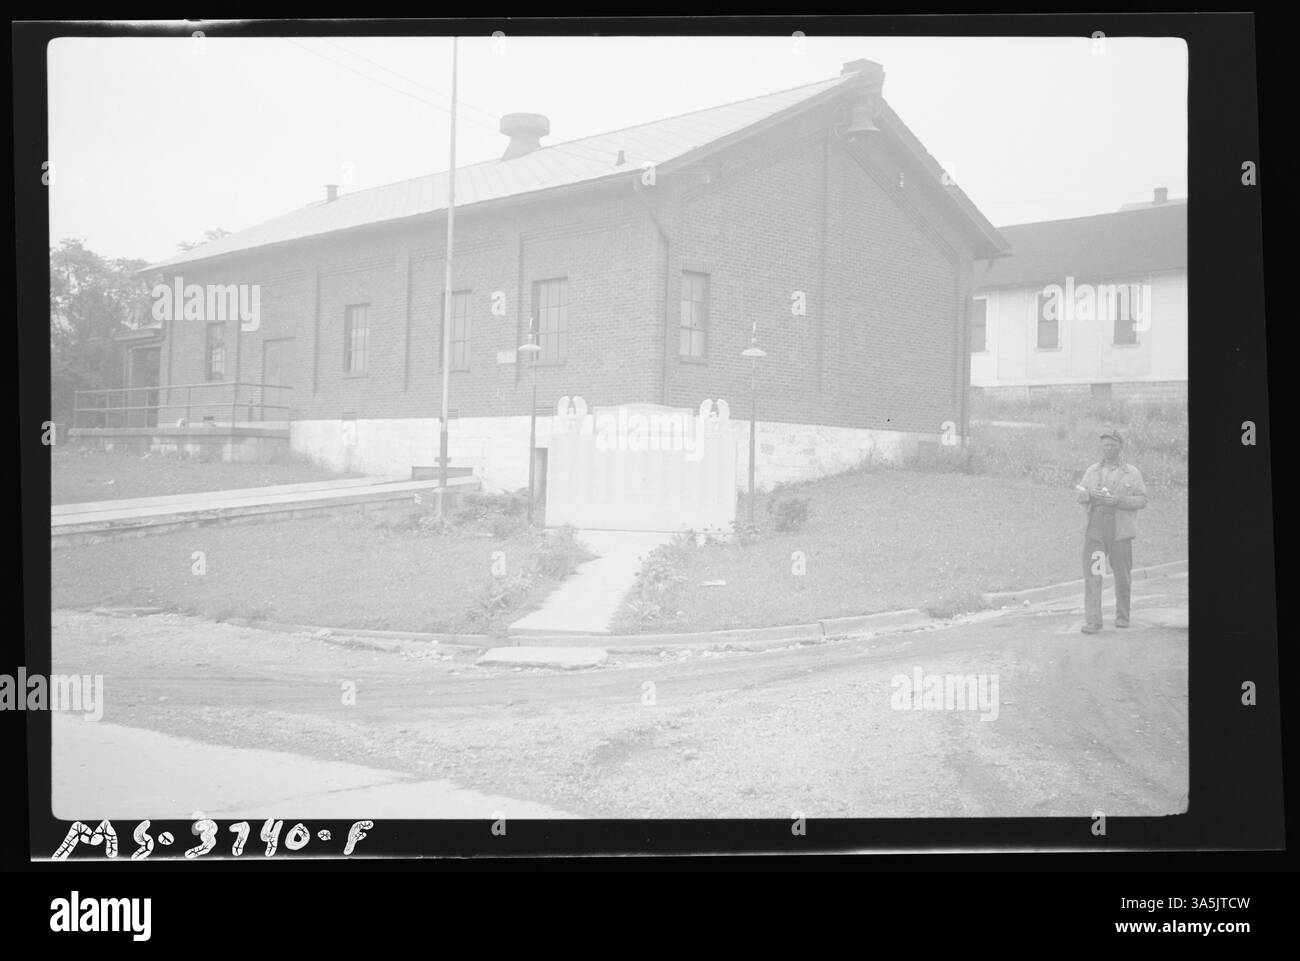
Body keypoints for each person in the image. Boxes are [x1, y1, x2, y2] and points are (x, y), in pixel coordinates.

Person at [1075, 429, 1148, 633]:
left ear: (1120, 447)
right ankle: (1093, 620)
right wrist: (1089, 494)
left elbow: (1143, 499)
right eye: (1105, 445)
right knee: (1094, 574)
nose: (1108, 449)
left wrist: (1119, 500)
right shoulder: (1092, 471)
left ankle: (1122, 616)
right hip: (1096, 531)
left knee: (1122, 575)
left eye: (1112, 445)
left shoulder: (1132, 473)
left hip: (1120, 532)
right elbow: (1079, 494)